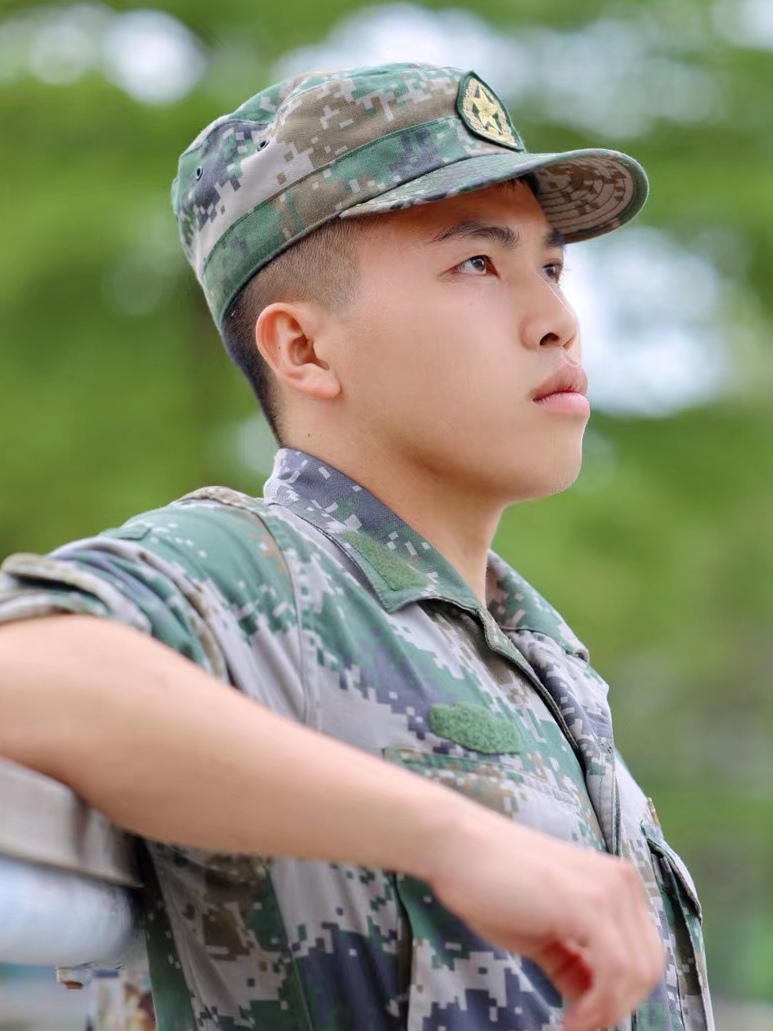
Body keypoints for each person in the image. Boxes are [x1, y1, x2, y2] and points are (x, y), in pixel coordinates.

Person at [0, 62, 713, 1031]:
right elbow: (25, 667)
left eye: (550, 268)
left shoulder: (544, 659)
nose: (556, 320)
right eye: (475, 264)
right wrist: (451, 835)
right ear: (302, 349)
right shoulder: (267, 573)